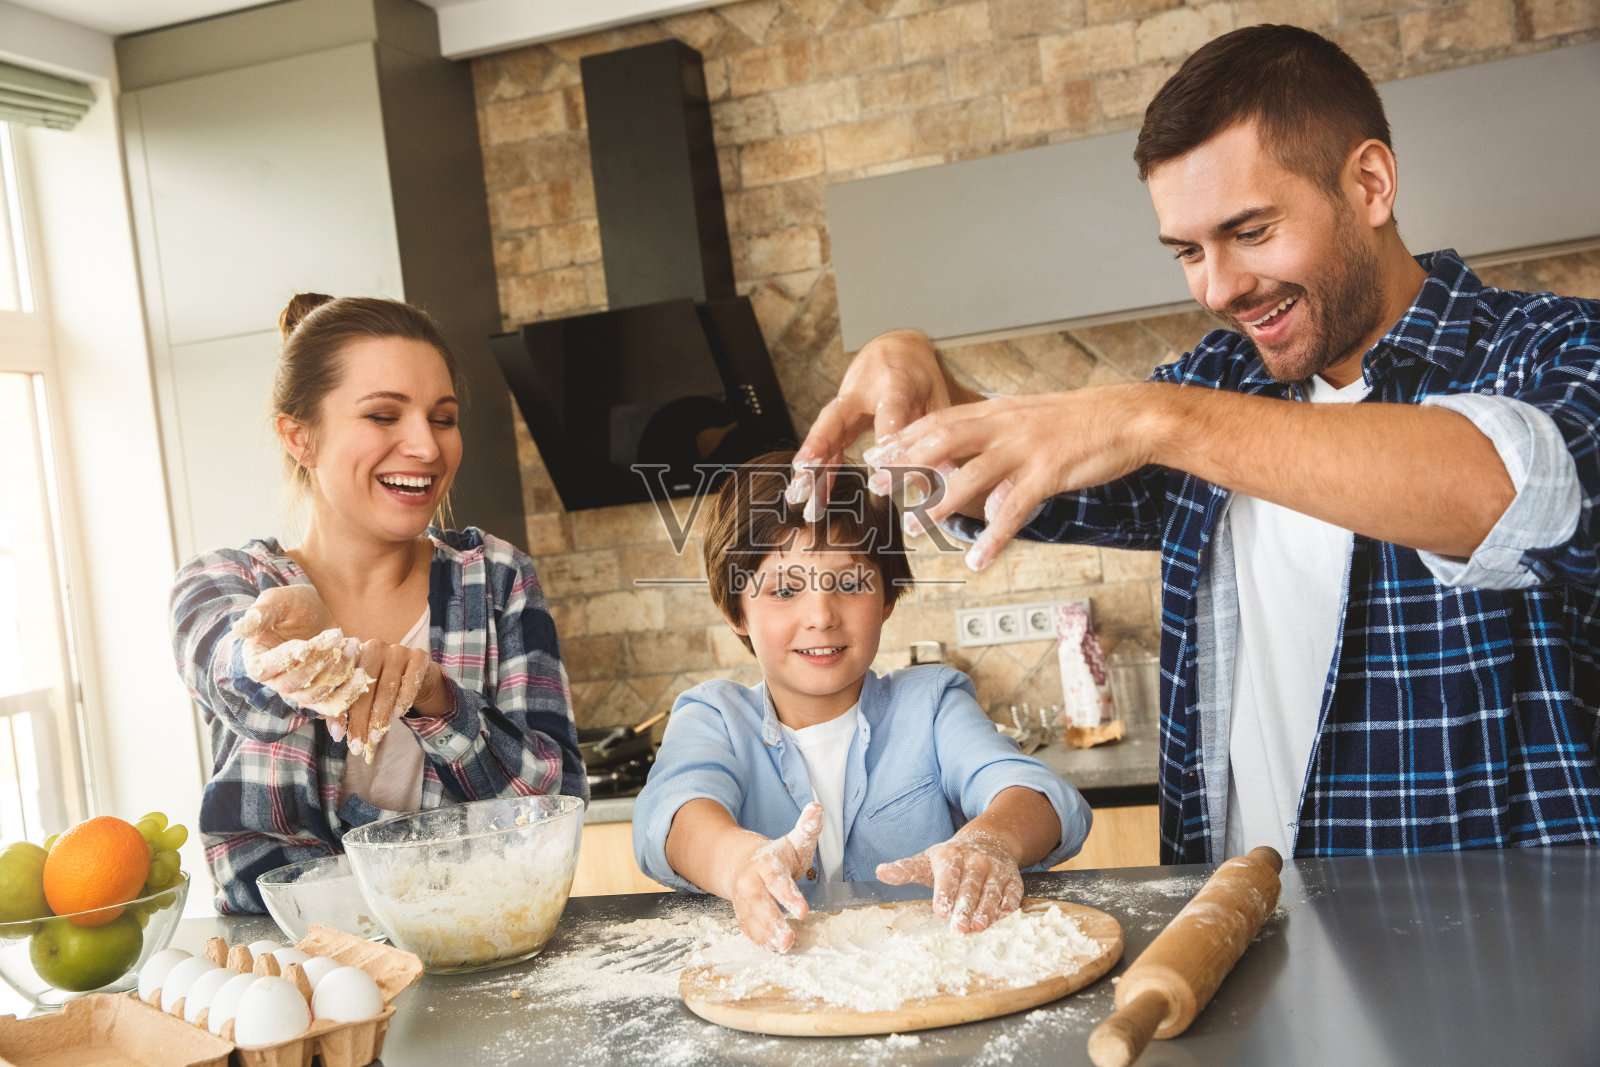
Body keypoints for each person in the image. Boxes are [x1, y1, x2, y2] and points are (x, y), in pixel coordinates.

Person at [791, 24, 1600, 865]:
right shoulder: (1216, 382)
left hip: (1506, 937)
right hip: (1244, 924)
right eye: (1188, 250)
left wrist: (1160, 417)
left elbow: (1519, 492)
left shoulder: (1555, 349)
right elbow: (1019, 475)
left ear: (1369, 183)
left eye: (1250, 231)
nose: (1218, 288)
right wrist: (926, 384)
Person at [170, 294, 586, 913]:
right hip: (289, 957)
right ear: (300, 437)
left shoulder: (496, 577)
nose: (427, 447)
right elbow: (234, 673)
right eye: (384, 415)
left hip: (475, 940)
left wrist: (439, 700)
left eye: (442, 418)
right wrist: (296, 658)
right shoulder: (226, 582)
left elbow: (555, 809)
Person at [632, 451, 1092, 950]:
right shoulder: (712, 717)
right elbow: (672, 817)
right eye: (784, 591)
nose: (821, 616)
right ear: (736, 612)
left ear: (888, 598)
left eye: (849, 584)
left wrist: (992, 841)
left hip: (928, 972)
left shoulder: (933, 704)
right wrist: (738, 861)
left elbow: (1034, 794)